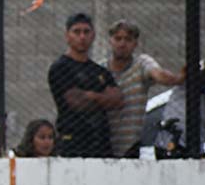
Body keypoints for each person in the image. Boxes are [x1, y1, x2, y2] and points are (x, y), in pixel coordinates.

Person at [103, 20, 183, 158]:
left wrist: (178, 78)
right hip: (104, 143)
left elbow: (159, 74)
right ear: (110, 41)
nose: (122, 44)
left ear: (135, 44)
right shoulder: (100, 69)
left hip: (130, 147)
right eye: (118, 38)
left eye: (128, 39)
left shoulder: (141, 64)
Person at [47, 12, 122, 158]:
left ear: (93, 35)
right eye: (77, 32)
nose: (82, 37)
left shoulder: (99, 70)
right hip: (74, 140)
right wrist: (103, 99)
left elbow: (117, 100)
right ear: (67, 36)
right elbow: (77, 102)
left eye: (86, 32)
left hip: (100, 141)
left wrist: (91, 96)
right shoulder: (61, 67)